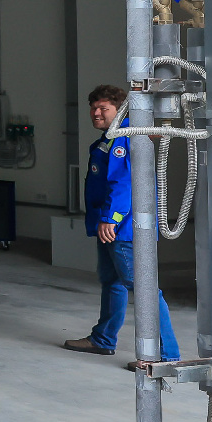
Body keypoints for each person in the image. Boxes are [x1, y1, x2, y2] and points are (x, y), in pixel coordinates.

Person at [62, 85, 180, 361]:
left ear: (120, 111)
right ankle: (102, 339)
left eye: (104, 108)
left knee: (144, 288)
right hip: (111, 227)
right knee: (112, 282)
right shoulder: (110, 139)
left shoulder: (123, 139)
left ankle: (167, 354)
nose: (96, 113)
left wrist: (110, 219)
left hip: (123, 229)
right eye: (93, 108)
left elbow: (123, 184)